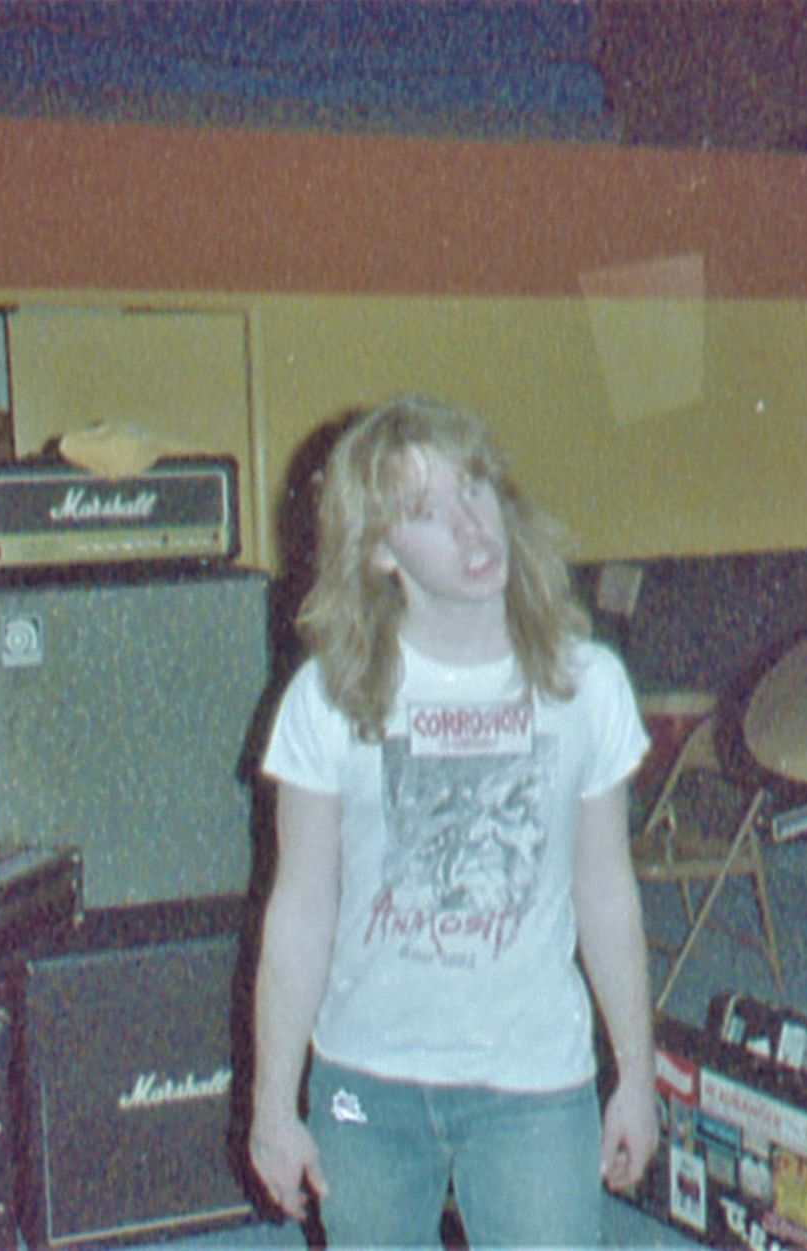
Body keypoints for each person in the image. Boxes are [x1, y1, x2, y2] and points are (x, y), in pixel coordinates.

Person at [249, 396, 659, 1247]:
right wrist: (272, 1103)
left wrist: (638, 1074)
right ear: (379, 551)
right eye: (425, 512)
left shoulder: (587, 684)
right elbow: (299, 910)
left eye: (474, 487)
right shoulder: (328, 697)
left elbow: (605, 889)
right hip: (366, 1084)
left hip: (535, 1082)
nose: (472, 526)